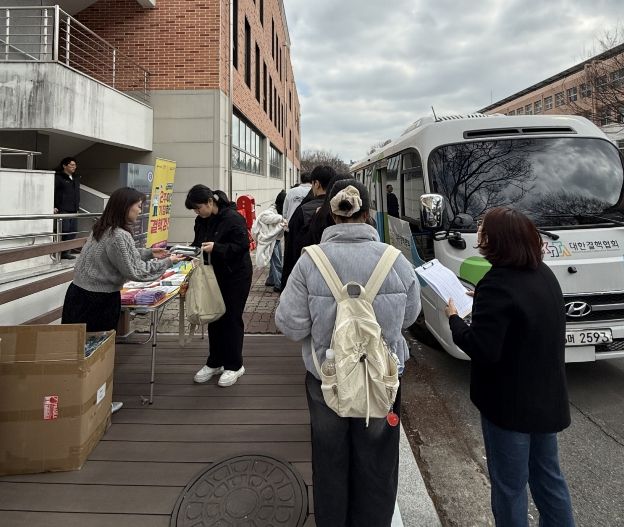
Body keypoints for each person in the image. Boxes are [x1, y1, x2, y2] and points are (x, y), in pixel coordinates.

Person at [276, 179, 421, 527]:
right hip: (380, 379)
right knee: (377, 458)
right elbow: (410, 316)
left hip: (327, 378)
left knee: (330, 458)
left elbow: (291, 325)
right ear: (368, 213)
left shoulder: (310, 262)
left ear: (331, 214)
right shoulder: (395, 261)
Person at [444, 207, 574, 527]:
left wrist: (455, 320)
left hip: (509, 407)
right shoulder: (543, 274)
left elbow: (482, 349)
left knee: (510, 488)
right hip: (547, 400)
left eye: (482, 229)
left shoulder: (497, 284)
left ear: (495, 240)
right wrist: (483, 298)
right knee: (549, 480)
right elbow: (523, 316)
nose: (478, 233)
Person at [62, 187, 183, 414]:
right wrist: (168, 262)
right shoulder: (120, 235)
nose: (140, 210)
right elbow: (136, 271)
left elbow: (122, 256)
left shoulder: (101, 228)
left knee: (78, 353)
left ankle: (75, 403)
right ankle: (98, 407)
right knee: (98, 355)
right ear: (125, 206)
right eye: (138, 205)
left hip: (77, 295)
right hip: (99, 300)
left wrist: (149, 253)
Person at [186, 185, 253, 387]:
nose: (197, 212)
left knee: (231, 318)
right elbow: (198, 243)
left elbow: (242, 247)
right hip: (211, 275)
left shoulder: (233, 218)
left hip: (236, 275)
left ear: (210, 202)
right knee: (213, 316)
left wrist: (217, 248)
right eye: (194, 209)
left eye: (198, 208)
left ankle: (234, 365)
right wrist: (186, 252)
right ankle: (215, 361)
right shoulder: (201, 220)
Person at [281, 165, 336, 290]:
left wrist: (286, 284)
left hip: (308, 274)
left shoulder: (303, 210)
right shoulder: (340, 211)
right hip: (334, 275)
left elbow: (291, 250)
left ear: (316, 184)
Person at [252, 190, 287, 292]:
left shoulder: (278, 210)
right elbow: (264, 218)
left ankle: (271, 280)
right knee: (277, 262)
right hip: (271, 240)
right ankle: (279, 284)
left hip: (275, 239)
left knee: (276, 260)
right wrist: (281, 218)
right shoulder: (270, 212)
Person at [54, 157, 80, 259]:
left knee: (73, 231)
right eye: (72, 165)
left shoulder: (76, 178)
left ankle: (65, 252)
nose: (74, 167)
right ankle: (58, 251)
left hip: (74, 209)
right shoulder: (58, 177)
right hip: (62, 208)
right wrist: (54, 206)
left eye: (75, 165)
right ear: (64, 166)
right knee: (64, 230)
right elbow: (53, 191)